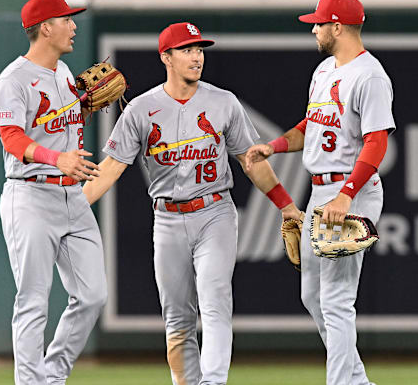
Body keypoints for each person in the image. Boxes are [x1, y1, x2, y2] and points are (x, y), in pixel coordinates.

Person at [82, 21, 301, 385]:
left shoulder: (223, 102)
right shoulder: (140, 109)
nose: (196, 56)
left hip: (215, 212)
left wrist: (286, 204)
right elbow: (109, 170)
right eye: (186, 49)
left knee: (215, 301)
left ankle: (213, 381)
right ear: (166, 57)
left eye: (199, 49)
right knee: (178, 318)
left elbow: (252, 161)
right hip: (167, 219)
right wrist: (70, 211)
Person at [245, 0, 395, 385]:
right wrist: (274, 146)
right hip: (320, 191)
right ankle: (356, 380)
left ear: (338, 26)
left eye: (318, 23)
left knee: (336, 298)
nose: (313, 29)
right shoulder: (325, 70)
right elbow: (311, 125)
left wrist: (346, 195)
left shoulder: (370, 76)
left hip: (351, 189)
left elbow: (377, 142)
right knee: (312, 295)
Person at [0, 0, 107, 385]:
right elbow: (12, 139)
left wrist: (82, 110)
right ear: (45, 28)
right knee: (33, 302)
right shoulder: (13, 79)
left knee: (92, 296)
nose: (74, 26)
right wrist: (59, 159)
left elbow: (58, 129)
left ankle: (52, 375)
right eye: (67, 20)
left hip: (71, 196)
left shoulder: (64, 74)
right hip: (31, 195)